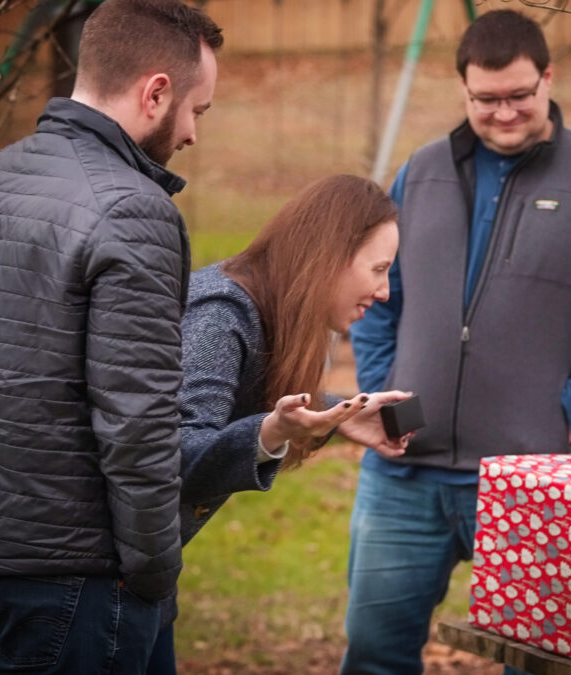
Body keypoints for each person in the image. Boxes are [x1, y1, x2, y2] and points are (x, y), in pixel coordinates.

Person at [0, 1, 222, 672]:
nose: (194, 133)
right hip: (65, 580)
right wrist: (154, 572)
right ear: (156, 92)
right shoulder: (133, 209)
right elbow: (137, 420)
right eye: (197, 110)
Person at [343, 9, 571, 673]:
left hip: (536, 480)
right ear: (464, 89)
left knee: (540, 662)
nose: (505, 112)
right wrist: (383, 387)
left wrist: (570, 414)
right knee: (374, 654)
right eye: (486, 99)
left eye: (520, 94)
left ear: (548, 78)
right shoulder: (420, 172)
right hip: (405, 472)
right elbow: (374, 292)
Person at [147, 174, 413, 674]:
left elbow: (242, 398)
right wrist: (270, 433)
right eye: (379, 270)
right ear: (330, 256)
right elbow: (173, 456)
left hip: (141, 579)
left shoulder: (261, 306)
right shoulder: (221, 312)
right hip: (92, 582)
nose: (384, 292)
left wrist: (340, 414)